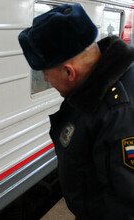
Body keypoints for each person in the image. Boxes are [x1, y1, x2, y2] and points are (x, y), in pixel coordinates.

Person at [19, 4, 134, 220]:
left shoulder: (119, 112)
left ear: (69, 72)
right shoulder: (95, 88)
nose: (45, 79)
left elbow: (126, 206)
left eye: (45, 72)